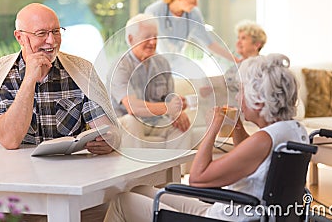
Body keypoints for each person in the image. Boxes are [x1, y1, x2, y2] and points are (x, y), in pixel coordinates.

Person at [103, 53, 309, 222]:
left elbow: (198, 179)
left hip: (224, 218)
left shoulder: (263, 140)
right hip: (238, 210)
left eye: (242, 92)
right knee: (140, 189)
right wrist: (236, 125)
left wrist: (212, 127)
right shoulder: (292, 131)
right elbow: (254, 157)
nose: (238, 97)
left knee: (123, 201)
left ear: (259, 100)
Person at [0, 3, 120, 221]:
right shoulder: (0, 76)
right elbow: (9, 139)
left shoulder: (79, 71)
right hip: (19, 192)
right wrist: (29, 81)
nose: (51, 41)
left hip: (72, 187)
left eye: (55, 31)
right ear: (20, 37)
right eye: (41, 33)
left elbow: (106, 127)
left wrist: (108, 139)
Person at [107, 13, 191, 149]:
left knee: (183, 126)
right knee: (131, 121)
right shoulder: (120, 66)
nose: (153, 42)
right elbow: (133, 108)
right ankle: (136, 169)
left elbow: (170, 99)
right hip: (127, 121)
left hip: (155, 121)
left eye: (155, 37)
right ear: (131, 39)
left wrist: (178, 109)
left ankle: (176, 170)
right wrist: (168, 108)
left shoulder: (162, 63)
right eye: (147, 37)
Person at [144, 0, 238, 62]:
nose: (196, 4)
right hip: (156, 64)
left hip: (178, 65)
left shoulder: (194, 14)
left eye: (197, 0)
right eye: (193, 1)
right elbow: (144, 44)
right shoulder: (154, 11)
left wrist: (235, 60)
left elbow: (209, 43)